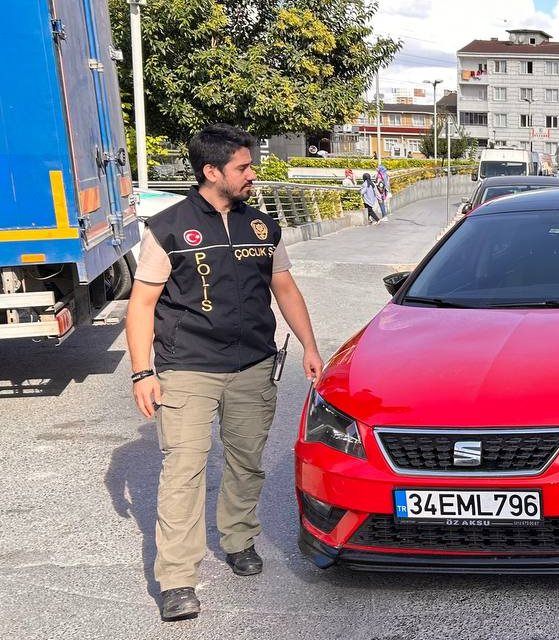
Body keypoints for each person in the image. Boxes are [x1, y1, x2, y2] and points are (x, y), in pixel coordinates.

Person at [124, 124, 324, 621]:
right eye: (243, 168)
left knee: (245, 462)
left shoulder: (262, 226)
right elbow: (142, 303)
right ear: (211, 172)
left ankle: (238, 540)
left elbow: (285, 288)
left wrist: (310, 347)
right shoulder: (168, 228)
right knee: (184, 470)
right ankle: (177, 579)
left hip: (253, 365)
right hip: (187, 368)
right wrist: (142, 372)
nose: (252, 174)